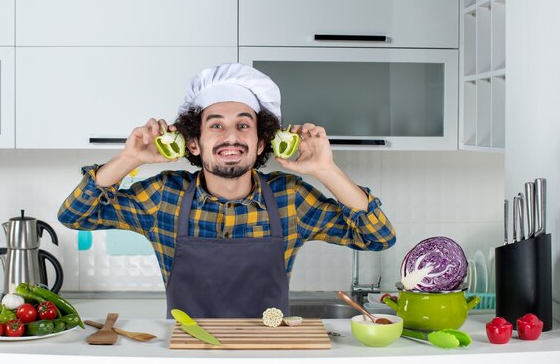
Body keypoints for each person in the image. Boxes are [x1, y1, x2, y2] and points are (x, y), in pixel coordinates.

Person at [57, 62, 395, 318]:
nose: (230, 136)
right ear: (193, 142)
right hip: (187, 353)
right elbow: (74, 215)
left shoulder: (289, 198)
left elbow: (377, 237)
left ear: (261, 141)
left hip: (266, 353)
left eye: (243, 125)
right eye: (216, 124)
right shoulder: (164, 197)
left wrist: (326, 170)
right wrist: (128, 159)